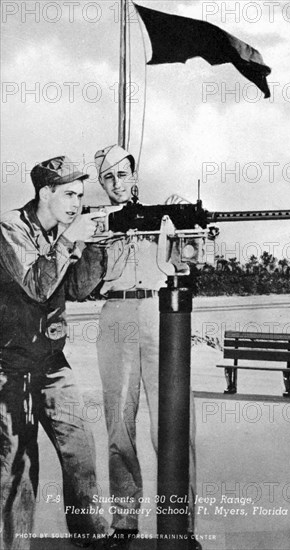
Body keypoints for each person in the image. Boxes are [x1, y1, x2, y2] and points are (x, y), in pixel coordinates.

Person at [94, 145, 201, 549]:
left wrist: (182, 217)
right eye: (108, 178)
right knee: (118, 422)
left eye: (123, 175)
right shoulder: (97, 222)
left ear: (134, 176)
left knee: (173, 423)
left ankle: (180, 526)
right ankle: (124, 521)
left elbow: (189, 261)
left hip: (161, 314)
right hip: (115, 315)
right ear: (102, 184)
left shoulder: (162, 215)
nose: (117, 184)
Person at [0, 156, 109, 550]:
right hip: (10, 365)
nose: (77, 204)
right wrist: (68, 241)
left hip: (51, 363)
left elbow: (78, 289)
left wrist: (94, 247)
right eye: (69, 194)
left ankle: (91, 538)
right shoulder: (10, 227)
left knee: (80, 449)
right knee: (19, 466)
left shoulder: (63, 232)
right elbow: (36, 285)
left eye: (80, 196)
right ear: (45, 192)